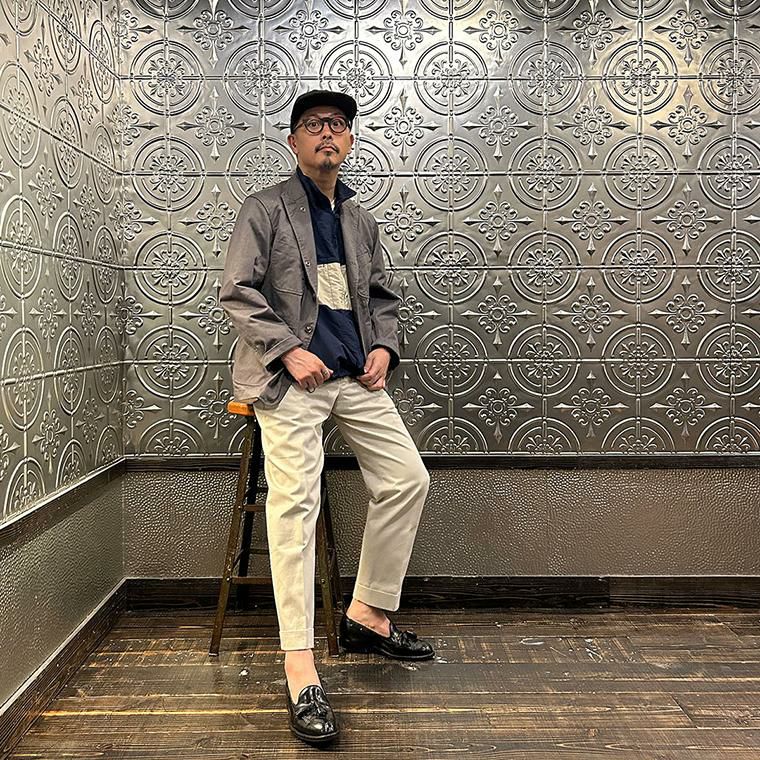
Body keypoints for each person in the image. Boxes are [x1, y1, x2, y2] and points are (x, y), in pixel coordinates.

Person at [220, 89, 434, 746]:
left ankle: (366, 613)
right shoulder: (265, 208)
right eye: (313, 124)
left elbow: (382, 297)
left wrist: (384, 346)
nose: (327, 133)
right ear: (293, 141)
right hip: (291, 380)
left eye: (338, 124)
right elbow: (236, 291)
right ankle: (300, 664)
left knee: (407, 479)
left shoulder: (360, 219)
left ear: (350, 141)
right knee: (295, 505)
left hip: (354, 376)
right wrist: (288, 349)